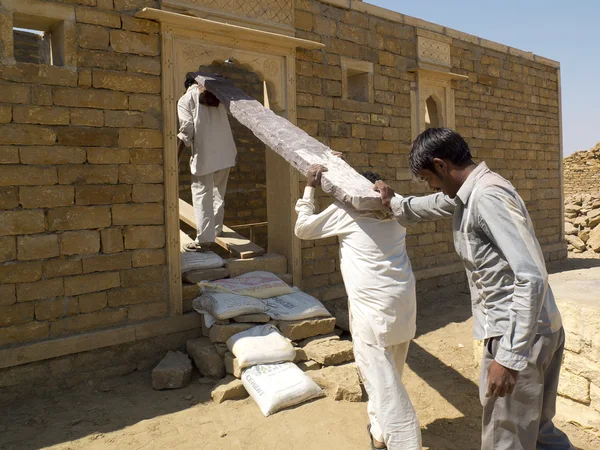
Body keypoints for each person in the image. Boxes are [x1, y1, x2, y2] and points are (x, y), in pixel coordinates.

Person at [376, 127, 573, 450]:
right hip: (539, 330)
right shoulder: (473, 192)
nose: (432, 186)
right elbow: (434, 204)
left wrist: (509, 357)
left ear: (441, 165)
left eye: (429, 178)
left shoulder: (487, 197)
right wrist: (393, 202)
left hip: (518, 336)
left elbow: (531, 275)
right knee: (539, 432)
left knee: (505, 439)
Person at [294, 165, 451, 449]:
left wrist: (310, 188)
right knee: (388, 376)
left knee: (385, 387)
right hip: (403, 304)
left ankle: (405, 443)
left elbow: (302, 229)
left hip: (372, 312)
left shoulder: (345, 211)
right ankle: (379, 435)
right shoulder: (397, 206)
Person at [177, 73, 237, 252]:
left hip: (205, 156)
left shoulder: (186, 99)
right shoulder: (217, 96)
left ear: (187, 84)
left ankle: (204, 239)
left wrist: (176, 155)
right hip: (226, 153)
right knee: (218, 193)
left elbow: (186, 131)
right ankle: (216, 229)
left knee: (201, 194)